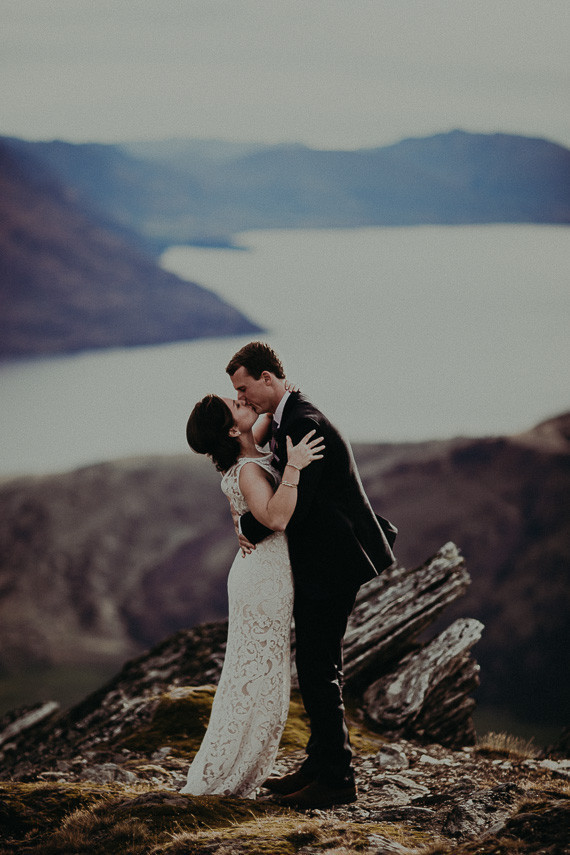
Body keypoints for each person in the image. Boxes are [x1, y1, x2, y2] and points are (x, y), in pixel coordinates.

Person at [226, 342, 397, 809]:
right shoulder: (288, 416)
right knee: (317, 667)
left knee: (319, 672)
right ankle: (319, 764)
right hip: (326, 560)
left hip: (332, 563)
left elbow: (294, 506)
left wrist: (246, 524)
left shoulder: (303, 423)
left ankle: (337, 779)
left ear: (267, 377)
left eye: (245, 388)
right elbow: (261, 452)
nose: (243, 398)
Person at [180, 393, 324, 798]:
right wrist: (293, 467)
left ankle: (241, 767)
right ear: (231, 428)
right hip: (263, 582)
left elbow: (264, 416)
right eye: (237, 405)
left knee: (259, 673)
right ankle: (225, 773)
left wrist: (275, 388)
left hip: (260, 573)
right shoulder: (246, 470)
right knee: (254, 676)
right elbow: (276, 518)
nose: (244, 402)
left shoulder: (248, 445)